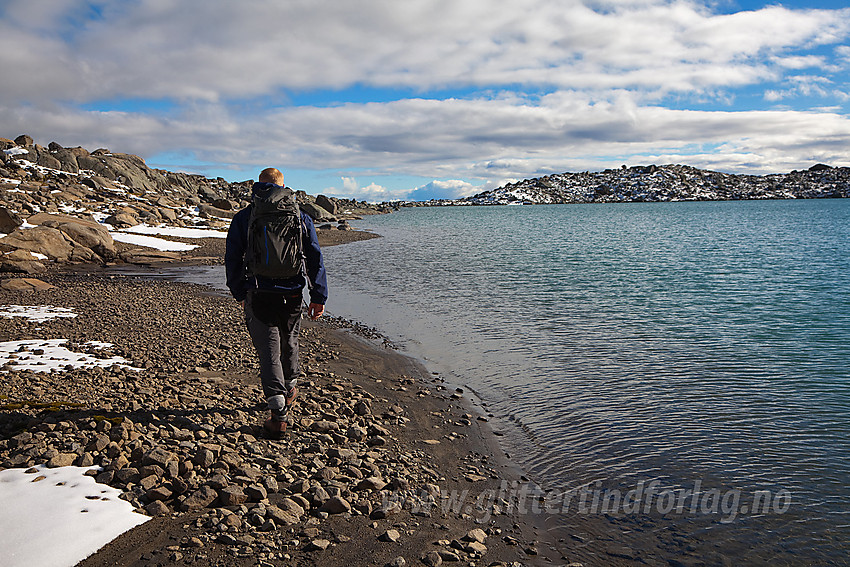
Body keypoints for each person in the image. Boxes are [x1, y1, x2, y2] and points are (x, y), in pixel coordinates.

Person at [224, 167, 328, 436]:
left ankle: (278, 414)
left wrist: (239, 292)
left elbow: (233, 258)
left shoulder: (245, 217)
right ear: (283, 186)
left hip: (259, 292)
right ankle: (290, 388)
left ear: (258, 185)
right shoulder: (299, 215)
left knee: (269, 351)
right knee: (289, 339)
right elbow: (314, 256)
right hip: (293, 291)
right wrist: (318, 295)